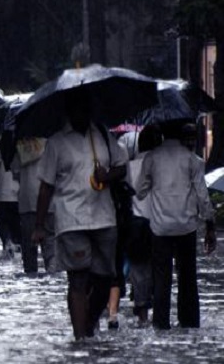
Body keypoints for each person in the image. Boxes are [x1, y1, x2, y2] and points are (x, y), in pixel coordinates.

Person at [34, 89, 128, 340]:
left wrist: (107, 176)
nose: (82, 113)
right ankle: (81, 339)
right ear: (69, 111)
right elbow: (46, 186)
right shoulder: (56, 143)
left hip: (104, 217)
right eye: (77, 108)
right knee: (77, 278)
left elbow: (122, 166)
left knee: (105, 277)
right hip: (71, 219)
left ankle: (87, 323)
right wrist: (39, 225)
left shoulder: (103, 136)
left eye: (85, 108)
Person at [136, 122, 217, 330]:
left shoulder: (152, 158)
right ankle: (189, 323)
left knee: (162, 277)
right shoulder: (193, 160)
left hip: (160, 228)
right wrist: (210, 225)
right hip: (186, 227)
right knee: (187, 278)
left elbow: (141, 191)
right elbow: (202, 196)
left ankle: (161, 323)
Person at [123, 125, 162, 326]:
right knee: (159, 268)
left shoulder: (130, 166)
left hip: (136, 222)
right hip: (160, 221)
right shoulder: (162, 164)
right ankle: (159, 312)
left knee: (138, 271)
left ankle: (142, 314)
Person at [13, 137, 56, 274]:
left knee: (29, 248)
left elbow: (14, 170)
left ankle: (31, 275)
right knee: (51, 246)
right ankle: (52, 275)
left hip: (28, 202)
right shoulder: (53, 144)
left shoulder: (20, 145)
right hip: (50, 202)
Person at [0, 134, 22, 261]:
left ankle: (7, 244)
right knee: (17, 227)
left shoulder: (0, 141)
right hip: (19, 193)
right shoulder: (24, 139)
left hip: (2, 191)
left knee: (2, 224)